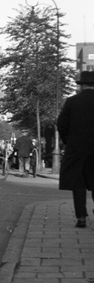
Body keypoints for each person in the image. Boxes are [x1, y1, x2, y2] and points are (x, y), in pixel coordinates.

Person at [57, 70, 94, 228]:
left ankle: (81, 217)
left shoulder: (72, 101)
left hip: (76, 149)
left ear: (82, 85)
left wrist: (68, 141)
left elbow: (61, 124)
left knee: (78, 184)